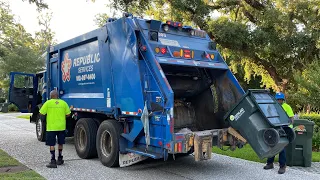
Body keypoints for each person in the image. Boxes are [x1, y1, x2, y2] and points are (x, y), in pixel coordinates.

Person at [263, 92, 294, 174]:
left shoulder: (287, 107)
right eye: (278, 99)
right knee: (272, 145)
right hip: (275, 128)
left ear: (283, 100)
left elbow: (291, 119)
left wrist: (288, 127)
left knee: (281, 148)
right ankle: (270, 163)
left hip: (284, 129)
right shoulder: (271, 106)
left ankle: (282, 166)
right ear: (275, 99)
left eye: (280, 99)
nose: (279, 101)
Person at [39, 90, 71, 168]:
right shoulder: (63, 103)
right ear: (57, 96)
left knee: (52, 144)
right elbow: (68, 114)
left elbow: (41, 113)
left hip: (51, 127)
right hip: (61, 127)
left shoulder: (48, 103)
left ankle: (53, 161)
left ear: (51, 96)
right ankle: (60, 158)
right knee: (60, 143)